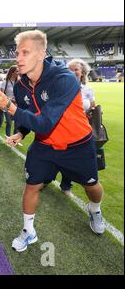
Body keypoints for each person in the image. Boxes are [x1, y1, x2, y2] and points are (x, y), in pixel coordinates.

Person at [0, 30, 105, 252]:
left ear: (41, 53)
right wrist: (20, 132)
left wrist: (9, 107)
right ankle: (29, 231)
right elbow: (31, 114)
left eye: (25, 52)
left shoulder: (63, 78)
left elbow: (46, 122)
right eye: (17, 52)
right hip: (44, 146)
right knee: (32, 185)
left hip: (77, 145)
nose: (18, 58)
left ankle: (95, 210)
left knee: (91, 186)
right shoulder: (21, 85)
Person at [58, 59, 97, 195]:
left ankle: (66, 185)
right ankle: (44, 179)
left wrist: (93, 113)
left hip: (79, 130)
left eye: (76, 69)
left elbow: (92, 107)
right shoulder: (61, 87)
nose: (73, 72)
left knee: (70, 157)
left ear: (82, 73)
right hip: (61, 128)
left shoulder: (88, 90)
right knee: (54, 153)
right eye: (70, 69)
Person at [2, 65, 19, 137]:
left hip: (17, 106)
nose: (18, 73)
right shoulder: (5, 82)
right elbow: (2, 95)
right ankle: (8, 138)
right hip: (7, 105)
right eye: (17, 71)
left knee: (17, 124)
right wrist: (10, 99)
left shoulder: (19, 82)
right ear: (12, 72)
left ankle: (14, 139)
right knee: (9, 123)